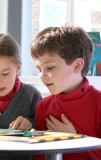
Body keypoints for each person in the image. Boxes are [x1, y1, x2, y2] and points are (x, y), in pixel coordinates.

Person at [30, 24, 101, 160]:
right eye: (39, 69)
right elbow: (39, 156)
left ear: (77, 65)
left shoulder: (98, 104)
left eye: (49, 67)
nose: (42, 75)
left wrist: (76, 139)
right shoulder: (43, 107)